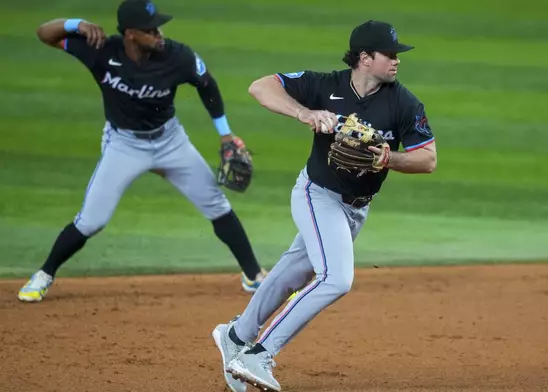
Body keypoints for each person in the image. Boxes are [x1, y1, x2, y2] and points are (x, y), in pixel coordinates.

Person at [211, 20, 437, 392]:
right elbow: (260, 87)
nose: (397, 61)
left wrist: (387, 159)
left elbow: (427, 159)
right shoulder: (324, 86)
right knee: (336, 279)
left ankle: (236, 336)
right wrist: (305, 113)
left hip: (356, 209)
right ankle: (258, 354)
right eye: (390, 54)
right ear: (364, 58)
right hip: (318, 196)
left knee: (293, 273)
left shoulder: (404, 102)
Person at [18, 0, 267, 303]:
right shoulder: (100, 50)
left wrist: (225, 134)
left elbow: (207, 86)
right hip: (124, 145)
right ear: (131, 34)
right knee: (91, 221)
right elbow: (45, 34)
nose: (159, 34)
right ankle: (44, 273)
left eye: (158, 27)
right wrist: (76, 24)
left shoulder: (178, 56)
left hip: (170, 141)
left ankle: (254, 276)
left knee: (217, 204)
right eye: (150, 30)